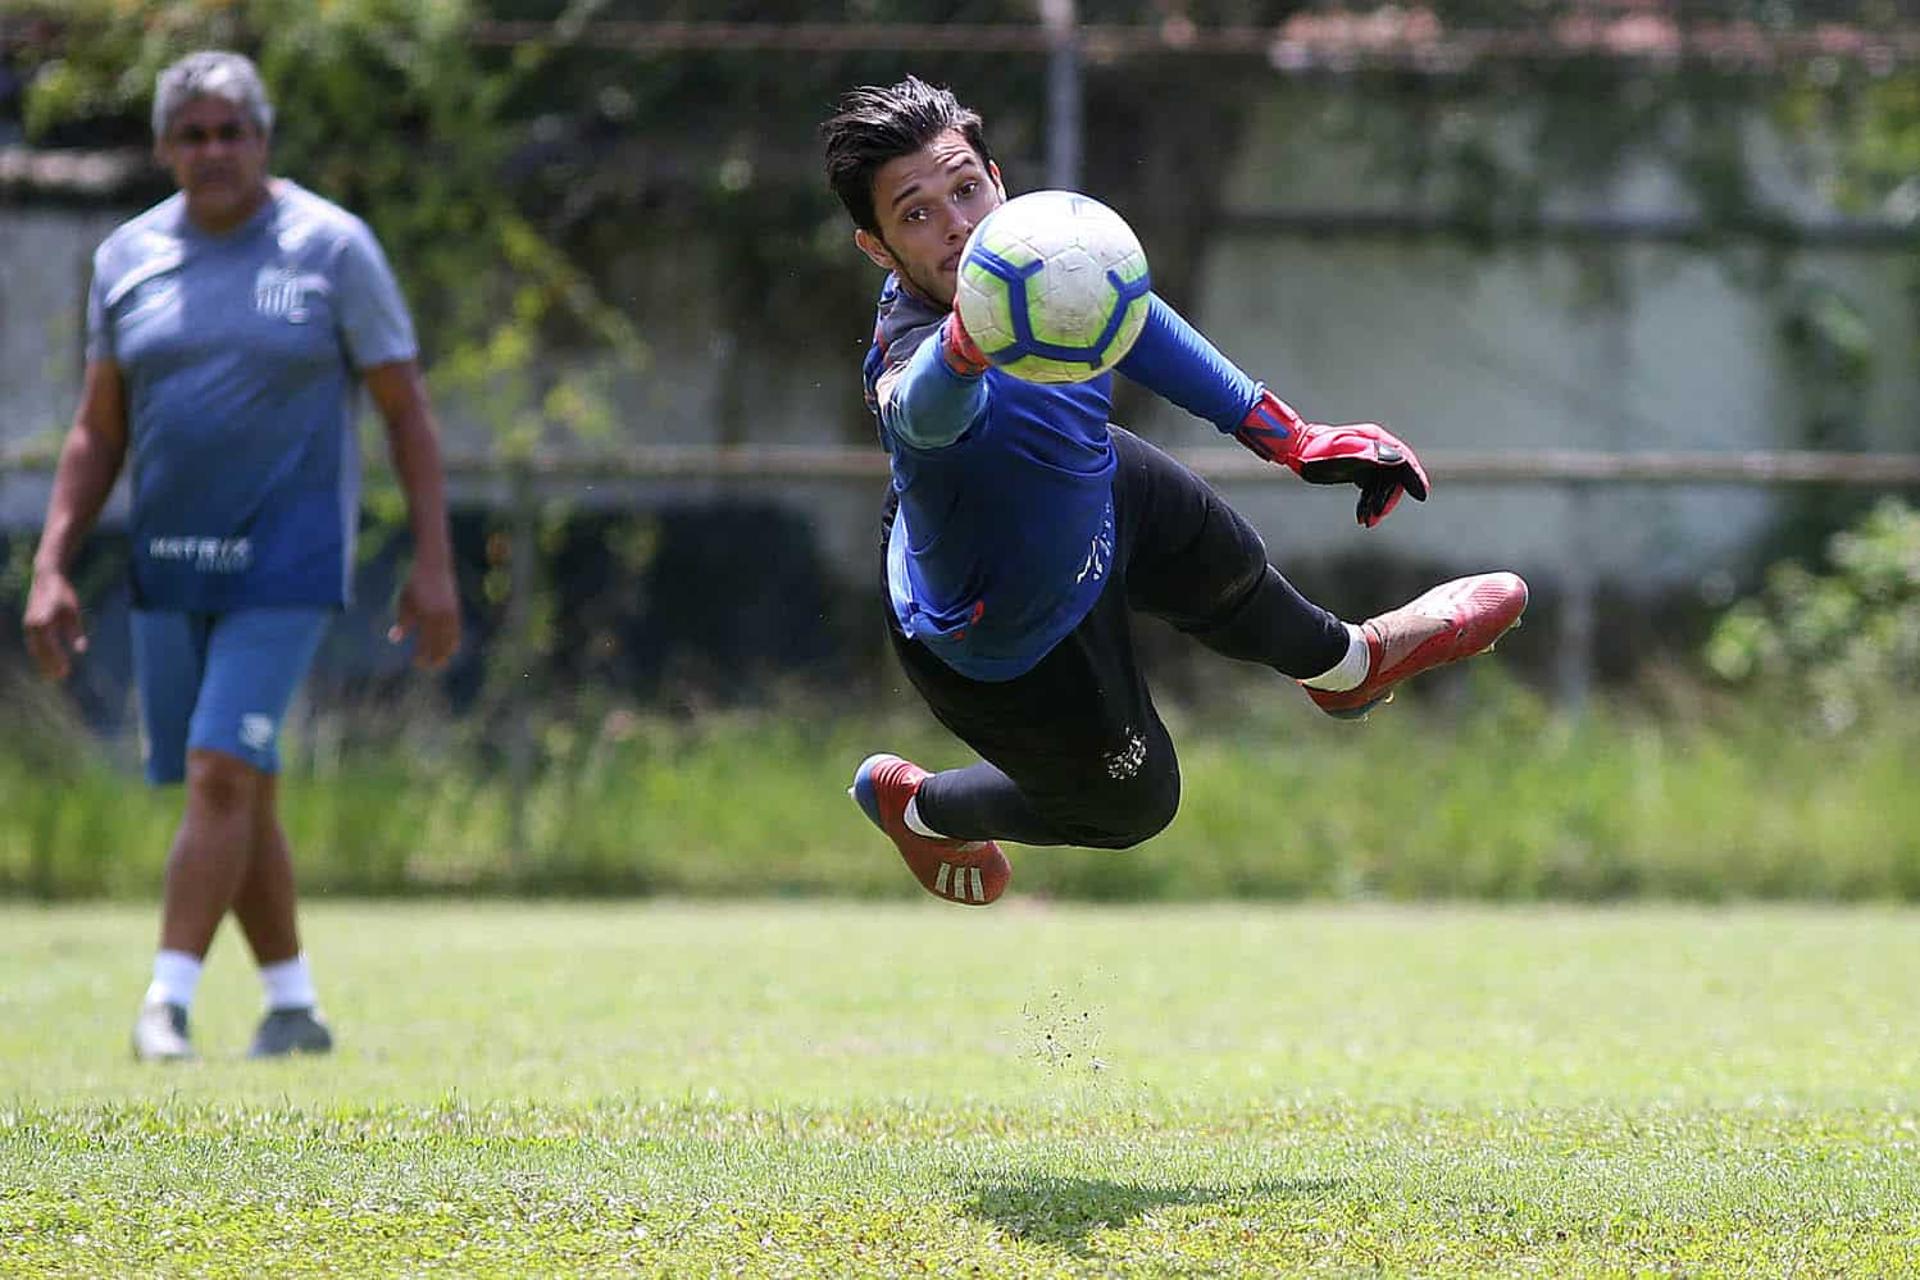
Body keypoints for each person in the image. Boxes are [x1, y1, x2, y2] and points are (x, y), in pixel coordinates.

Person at [820, 77, 1528, 906]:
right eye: (916, 214)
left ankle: (1349, 666)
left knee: (1222, 565)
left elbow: (1132, 314)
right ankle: (923, 807)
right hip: (1001, 636)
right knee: (1136, 804)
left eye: (967, 188)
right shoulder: (910, 352)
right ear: (879, 248)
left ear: (998, 179)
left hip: (1091, 489)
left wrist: (1290, 438)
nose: (959, 224)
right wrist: (969, 343)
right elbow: (922, 414)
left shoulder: (1039, 257)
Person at [20, 51, 460, 1059]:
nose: (214, 150)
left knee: (221, 767)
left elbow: (406, 410)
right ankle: (294, 1004)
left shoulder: (333, 248)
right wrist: (53, 563)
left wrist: (433, 561)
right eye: (193, 133)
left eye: (232, 131)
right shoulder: (126, 258)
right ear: (166, 146)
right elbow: (98, 428)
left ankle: (163, 1003)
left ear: (263, 140)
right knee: (234, 779)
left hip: (289, 560)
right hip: (171, 555)